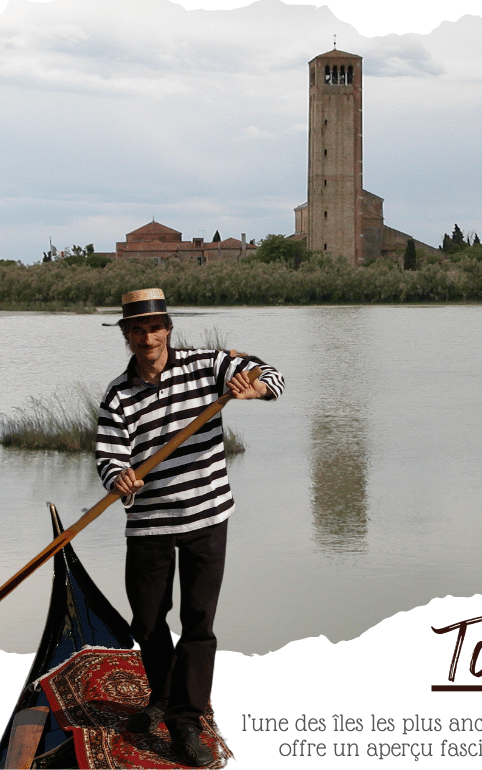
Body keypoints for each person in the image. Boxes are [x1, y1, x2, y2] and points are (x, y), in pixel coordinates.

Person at [96, 288, 284, 766]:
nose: (147, 337)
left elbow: (273, 376)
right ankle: (161, 695)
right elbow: (108, 453)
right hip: (149, 523)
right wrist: (119, 475)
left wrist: (254, 386)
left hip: (206, 516)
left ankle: (185, 718)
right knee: (148, 620)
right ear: (126, 336)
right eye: (136, 330)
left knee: (198, 622)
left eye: (154, 328)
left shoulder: (206, 364)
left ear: (168, 330)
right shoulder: (118, 394)